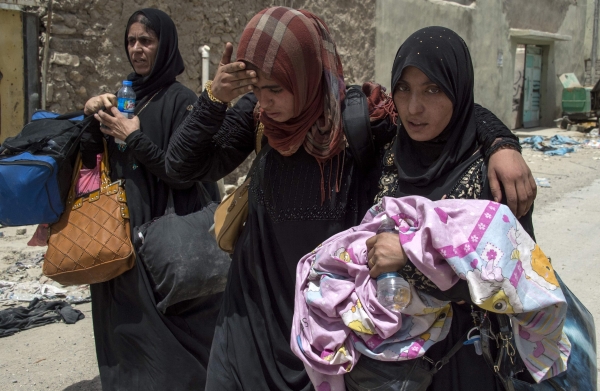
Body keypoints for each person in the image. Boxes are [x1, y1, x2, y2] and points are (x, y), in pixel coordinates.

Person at [165, 7, 535, 390]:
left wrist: (500, 142)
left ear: (305, 74)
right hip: (250, 313)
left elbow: (448, 105)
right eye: (257, 88)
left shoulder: (360, 123)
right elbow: (180, 167)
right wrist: (215, 98)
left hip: (324, 326)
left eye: (276, 88)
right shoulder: (259, 119)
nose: (265, 100)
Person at [359, 26, 540, 390]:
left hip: (467, 358)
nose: (413, 107)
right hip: (390, 363)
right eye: (404, 88)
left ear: (458, 91)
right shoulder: (386, 156)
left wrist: (409, 256)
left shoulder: (490, 174)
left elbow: (514, 280)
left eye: (433, 89)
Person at [80, 9, 221, 390]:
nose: (137, 49)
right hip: (121, 229)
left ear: (165, 44)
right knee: (124, 326)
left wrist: (135, 138)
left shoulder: (183, 102)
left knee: (172, 334)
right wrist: (92, 119)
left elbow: (182, 171)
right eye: (131, 41)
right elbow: (96, 161)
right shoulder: (123, 95)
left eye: (147, 40)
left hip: (165, 232)